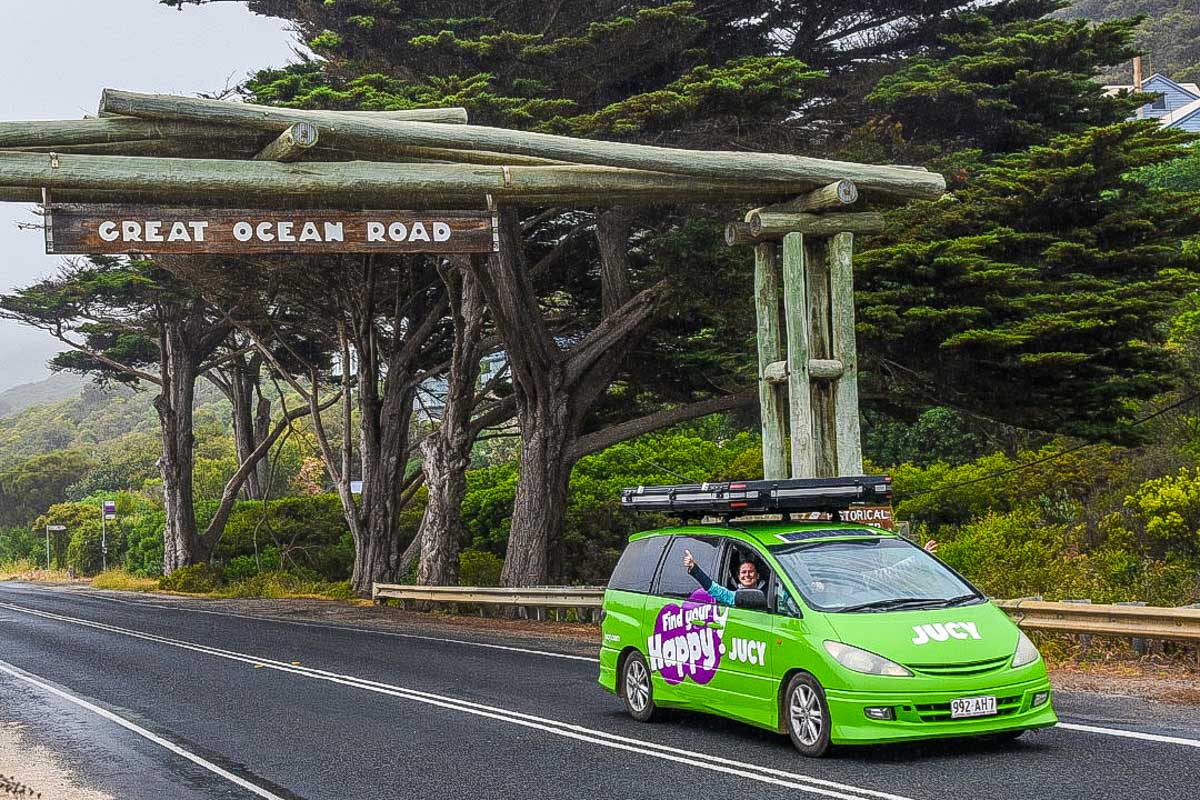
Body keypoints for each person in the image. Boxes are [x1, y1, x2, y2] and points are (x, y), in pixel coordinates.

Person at [682, 550, 765, 607]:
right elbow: (715, 590)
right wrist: (694, 568)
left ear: (757, 575)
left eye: (751, 571)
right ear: (738, 577)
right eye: (743, 572)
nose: (747, 575)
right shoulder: (734, 596)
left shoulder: (770, 592)